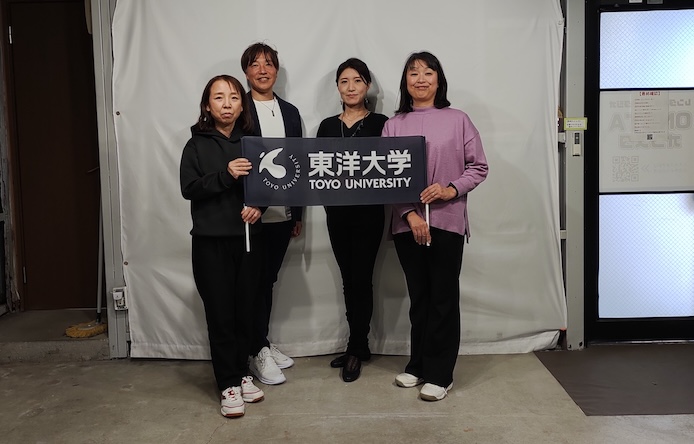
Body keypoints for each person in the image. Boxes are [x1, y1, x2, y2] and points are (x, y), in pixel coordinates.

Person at [382, 52, 488, 401]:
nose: (421, 79)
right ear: (406, 82)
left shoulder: (459, 120)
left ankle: (441, 374)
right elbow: (386, 176)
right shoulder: (394, 125)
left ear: (439, 80)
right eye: (413, 73)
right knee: (419, 298)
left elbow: (478, 166)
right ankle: (418, 365)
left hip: (447, 220)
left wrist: (450, 189)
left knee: (442, 297)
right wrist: (410, 215)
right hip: (407, 224)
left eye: (428, 72)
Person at [180, 75, 265, 418]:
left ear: (242, 105)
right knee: (220, 314)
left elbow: (269, 184)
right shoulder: (196, 144)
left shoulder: (253, 143)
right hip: (210, 243)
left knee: (246, 310)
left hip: (248, 240)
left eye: (233, 97)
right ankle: (227, 383)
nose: (227, 104)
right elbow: (189, 188)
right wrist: (226, 175)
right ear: (207, 105)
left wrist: (259, 207)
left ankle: (242, 373)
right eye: (219, 97)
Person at [316, 58, 389, 382]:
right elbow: (317, 172)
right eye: (344, 81)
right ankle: (357, 345)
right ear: (337, 87)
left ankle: (356, 347)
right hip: (337, 216)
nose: (350, 87)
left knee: (362, 279)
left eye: (357, 80)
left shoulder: (382, 123)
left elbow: (392, 168)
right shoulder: (326, 127)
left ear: (367, 85)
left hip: (369, 215)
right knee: (348, 280)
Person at [241, 42, 303, 385]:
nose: (262, 70)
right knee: (252, 283)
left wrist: (298, 214)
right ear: (246, 71)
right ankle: (255, 350)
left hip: (282, 212)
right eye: (255, 64)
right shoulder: (239, 107)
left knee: (268, 280)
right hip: (250, 214)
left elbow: (299, 162)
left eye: (268, 64)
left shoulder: (290, 112)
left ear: (276, 70)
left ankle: (260, 342)